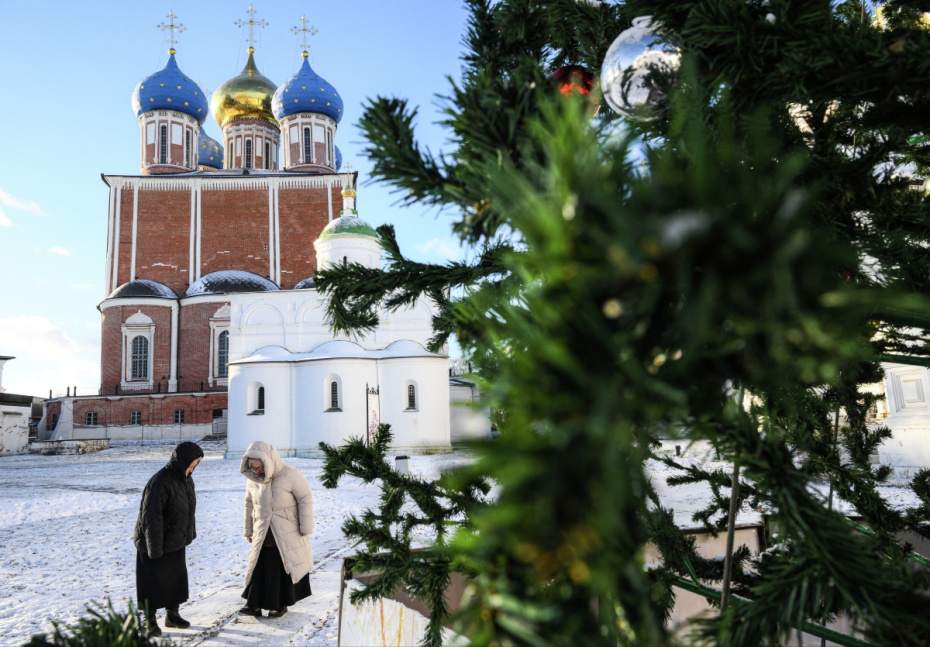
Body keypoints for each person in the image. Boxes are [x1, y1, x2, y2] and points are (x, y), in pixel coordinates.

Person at [132, 441, 204, 636]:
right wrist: (154, 548)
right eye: (191, 464)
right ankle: (149, 621)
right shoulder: (160, 481)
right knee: (152, 583)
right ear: (181, 461)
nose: (192, 468)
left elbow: (187, 509)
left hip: (175, 540)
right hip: (154, 542)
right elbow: (151, 517)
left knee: (175, 581)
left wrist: (188, 533)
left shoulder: (186, 478)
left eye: (195, 464)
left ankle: (172, 616)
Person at [239, 440, 314, 618]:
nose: (258, 471)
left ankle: (279, 604)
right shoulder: (253, 480)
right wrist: (248, 529)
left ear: (268, 461)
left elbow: (305, 498)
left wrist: (306, 526)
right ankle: (254, 604)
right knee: (258, 567)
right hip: (262, 530)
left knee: (278, 567)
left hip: (286, 530)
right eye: (254, 468)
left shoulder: (290, 474)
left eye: (260, 467)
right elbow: (249, 503)